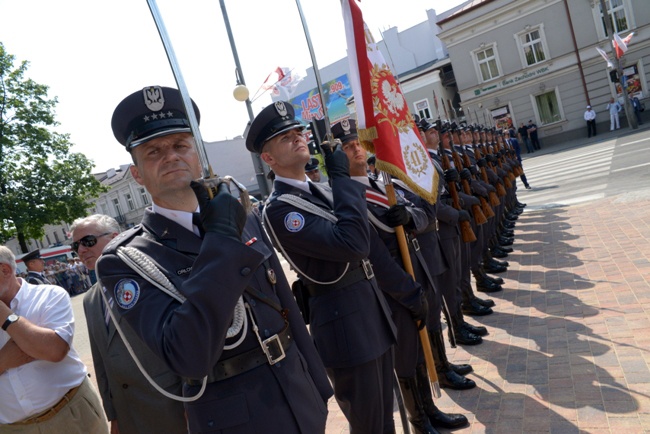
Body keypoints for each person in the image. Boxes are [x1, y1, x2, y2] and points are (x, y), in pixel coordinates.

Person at [96, 86, 332, 434]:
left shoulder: (242, 216)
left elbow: (285, 306)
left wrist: (318, 385)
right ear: (137, 174)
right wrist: (220, 240)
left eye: (180, 145)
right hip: (233, 416)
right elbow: (187, 355)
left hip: (298, 392)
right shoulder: (125, 261)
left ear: (197, 154)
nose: (171, 156)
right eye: (153, 151)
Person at [251, 102, 397, 434]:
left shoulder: (319, 190)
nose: (297, 138)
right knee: (370, 425)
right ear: (268, 158)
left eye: (297, 131)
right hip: (347, 328)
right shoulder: (281, 210)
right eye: (284, 137)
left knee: (385, 418)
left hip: (370, 313)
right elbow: (353, 244)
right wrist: (343, 177)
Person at [70, 214, 187, 434]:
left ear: (115, 237)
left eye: (88, 241)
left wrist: (193, 400)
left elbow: (185, 341)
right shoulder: (90, 299)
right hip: (130, 415)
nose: (81, 250)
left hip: (173, 404)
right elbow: (102, 362)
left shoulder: (153, 277)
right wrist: (114, 416)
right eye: (75, 246)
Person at [0, 246, 108, 433]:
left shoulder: (48, 296)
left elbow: (53, 350)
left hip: (71, 413)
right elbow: (38, 346)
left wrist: (4, 315)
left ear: (4, 270)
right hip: (14, 428)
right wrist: (6, 358)